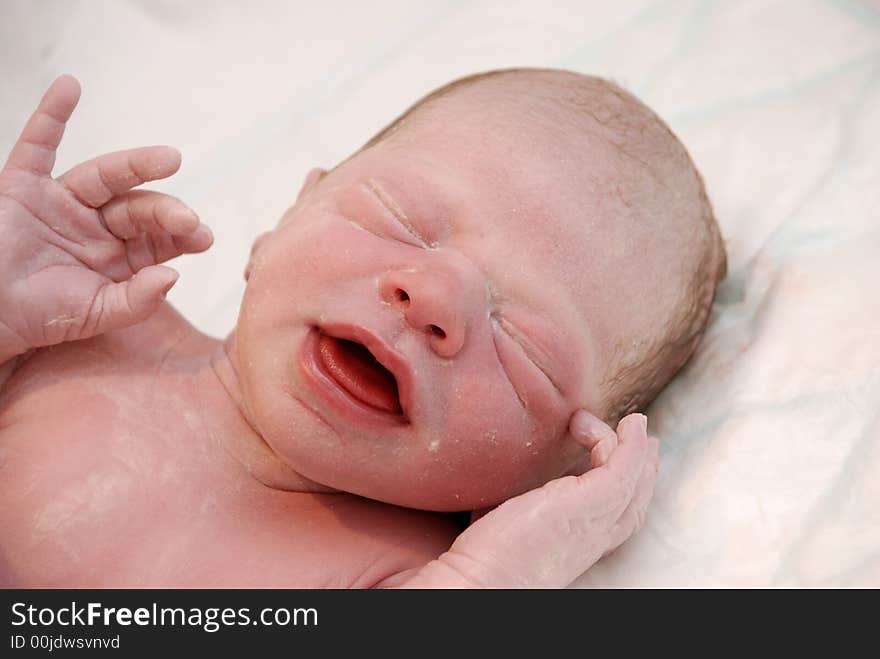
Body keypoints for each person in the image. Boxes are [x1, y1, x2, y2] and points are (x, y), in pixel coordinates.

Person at [0, 68, 725, 587]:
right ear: (290, 215)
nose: (437, 295)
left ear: (556, 470)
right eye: (399, 218)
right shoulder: (76, 337)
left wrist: (503, 571)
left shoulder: (399, 573)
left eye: (527, 347)